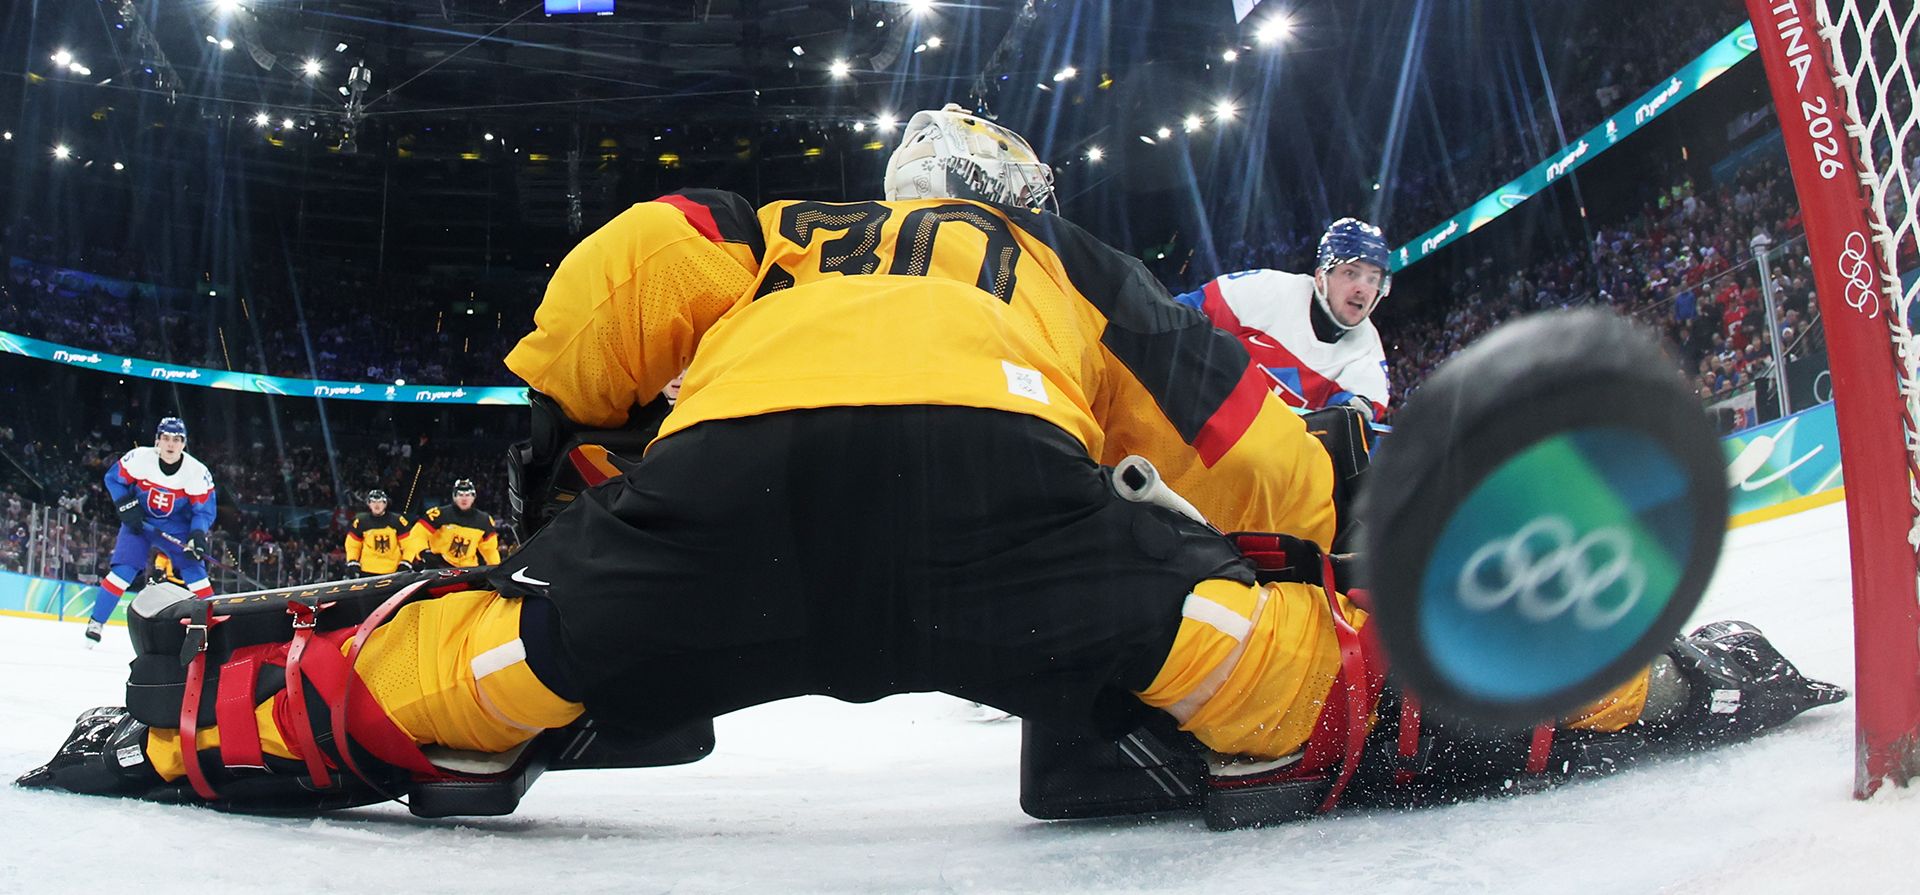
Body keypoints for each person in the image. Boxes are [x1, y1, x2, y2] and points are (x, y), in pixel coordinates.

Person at [19, 108, 1841, 824]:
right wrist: (1352, 549)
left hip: (727, 502)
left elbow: (611, 294)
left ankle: (191, 720)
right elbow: (1252, 450)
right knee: (1275, 673)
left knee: (482, 664)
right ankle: (1617, 687)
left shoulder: (769, 230)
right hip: (1011, 524)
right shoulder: (1066, 267)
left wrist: (577, 477)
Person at [1174, 218, 1393, 421]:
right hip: (1196, 418)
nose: (1362, 289)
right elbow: (1177, 314)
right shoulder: (1267, 290)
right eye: (1351, 273)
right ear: (1321, 275)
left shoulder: (1368, 353)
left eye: (1373, 279)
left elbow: (1347, 423)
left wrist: (1350, 416)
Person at [85, 417, 215, 644]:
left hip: (176, 527)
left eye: (176, 439)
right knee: (122, 572)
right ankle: (96, 622)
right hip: (140, 521)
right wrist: (126, 506)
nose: (170, 444)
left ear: (184, 443)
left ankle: (214, 628)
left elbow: (203, 511)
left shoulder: (196, 472)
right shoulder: (140, 458)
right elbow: (113, 479)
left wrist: (197, 536)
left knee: (196, 574)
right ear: (157, 441)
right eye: (166, 438)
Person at [406, 479, 499, 569]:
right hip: (438, 567)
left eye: (467, 495)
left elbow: (490, 550)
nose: (464, 498)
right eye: (460, 495)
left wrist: (496, 570)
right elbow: (418, 534)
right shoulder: (439, 514)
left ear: (473, 497)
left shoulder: (484, 520)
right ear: (454, 496)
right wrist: (422, 552)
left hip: (468, 571)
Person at [344, 489, 414, 577]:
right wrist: (352, 560)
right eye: (373, 502)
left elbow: (409, 544)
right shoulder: (361, 521)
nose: (376, 505)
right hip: (367, 571)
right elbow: (353, 544)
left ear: (385, 503)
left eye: (380, 502)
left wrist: (407, 561)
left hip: (394, 571)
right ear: (368, 504)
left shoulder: (397, 520)